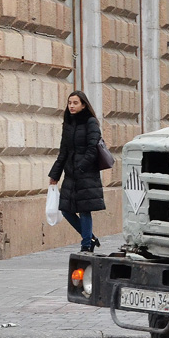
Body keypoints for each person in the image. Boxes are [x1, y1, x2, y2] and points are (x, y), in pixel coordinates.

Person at [49, 90, 106, 252]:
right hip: (70, 173)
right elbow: (63, 152)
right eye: (69, 103)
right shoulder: (68, 123)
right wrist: (55, 174)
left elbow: (93, 149)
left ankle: (86, 245)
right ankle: (91, 238)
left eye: (75, 103)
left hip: (86, 173)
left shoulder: (91, 122)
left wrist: (81, 167)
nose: (72, 106)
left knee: (84, 210)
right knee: (66, 210)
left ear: (83, 105)